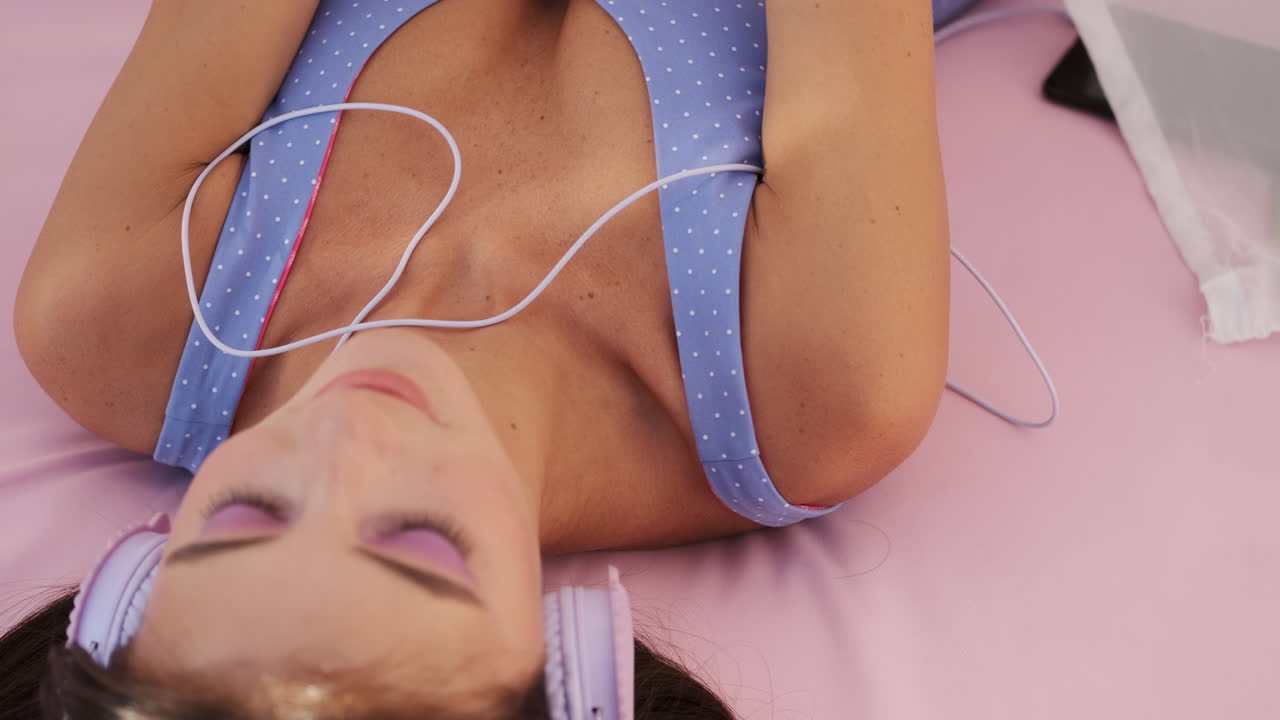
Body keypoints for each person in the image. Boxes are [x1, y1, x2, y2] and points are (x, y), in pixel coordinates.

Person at [2, 0, 949, 717]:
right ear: (564, 663)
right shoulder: (817, 391)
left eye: (246, 515)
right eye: (418, 542)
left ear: (138, 575)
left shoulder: (119, 311)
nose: (347, 437)